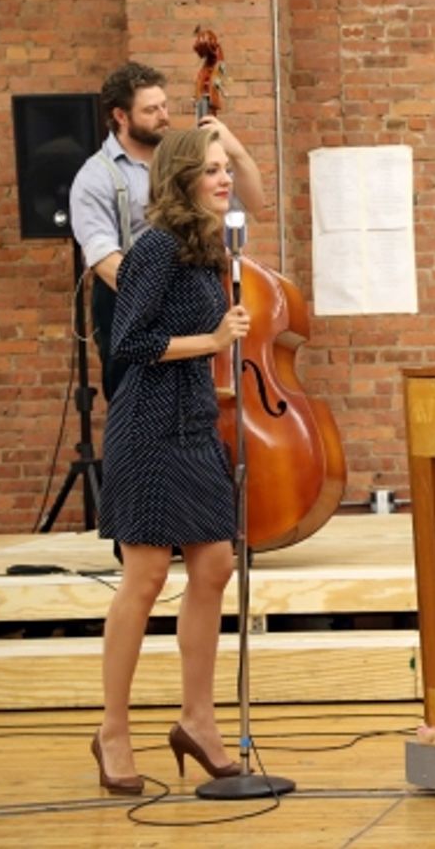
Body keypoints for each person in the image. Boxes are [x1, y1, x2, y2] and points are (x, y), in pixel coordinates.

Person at [91, 128, 251, 795]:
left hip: (193, 422)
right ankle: (113, 731)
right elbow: (128, 340)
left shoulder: (206, 247)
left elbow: (255, 191)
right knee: (147, 574)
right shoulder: (156, 247)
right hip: (148, 425)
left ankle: (199, 720)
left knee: (214, 565)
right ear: (183, 178)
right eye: (211, 170)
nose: (224, 180)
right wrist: (211, 339)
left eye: (225, 170)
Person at [70, 61, 264, 404]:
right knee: (137, 398)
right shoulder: (95, 177)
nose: (164, 115)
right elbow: (102, 256)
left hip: (190, 288)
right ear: (121, 116)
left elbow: (255, 202)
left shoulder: (184, 159)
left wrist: (235, 151)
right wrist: (158, 291)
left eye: (164, 105)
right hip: (130, 299)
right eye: (150, 109)